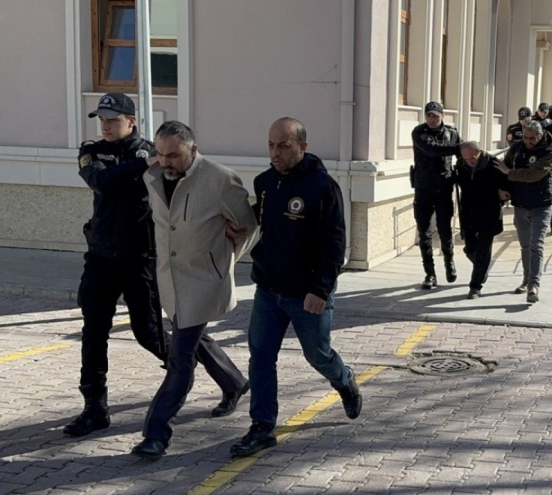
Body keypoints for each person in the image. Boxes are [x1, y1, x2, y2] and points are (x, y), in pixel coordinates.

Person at [230, 117, 361, 458]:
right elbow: (257, 227)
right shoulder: (263, 183)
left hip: (307, 294)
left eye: (283, 145)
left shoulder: (322, 187)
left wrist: (321, 289)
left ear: (303, 146)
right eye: (271, 145)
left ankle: (344, 380)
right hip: (268, 291)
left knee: (317, 356)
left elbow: (335, 244)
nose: (275, 152)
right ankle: (262, 427)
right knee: (260, 356)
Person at [131, 121, 255, 459]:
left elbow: (248, 225)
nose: (166, 161)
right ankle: (234, 383)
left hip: (203, 283)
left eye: (174, 154)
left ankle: (156, 433)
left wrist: (226, 259)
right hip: (170, 282)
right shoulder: (154, 176)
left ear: (193, 151)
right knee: (194, 336)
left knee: (180, 356)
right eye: (160, 153)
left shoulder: (220, 179)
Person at [65, 92, 171, 437]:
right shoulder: (92, 153)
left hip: (138, 258)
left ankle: (212, 372)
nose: (107, 125)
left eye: (114, 119)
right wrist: (144, 165)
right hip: (100, 258)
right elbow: (102, 181)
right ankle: (94, 407)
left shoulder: (152, 153)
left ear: (132, 121)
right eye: (103, 120)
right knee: (93, 333)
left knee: (149, 334)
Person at [494, 120, 552, 304]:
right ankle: (526, 279)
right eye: (526, 137)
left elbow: (533, 174)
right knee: (525, 246)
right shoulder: (517, 147)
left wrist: (510, 172)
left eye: (532, 138)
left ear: (540, 135)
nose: (529, 141)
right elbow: (503, 168)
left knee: (536, 244)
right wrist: (502, 189)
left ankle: (533, 286)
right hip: (521, 204)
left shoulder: (550, 151)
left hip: (542, 204)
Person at [410, 101, 462, 289]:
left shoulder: (452, 133)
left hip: (443, 189)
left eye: (435, 116)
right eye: (429, 116)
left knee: (445, 229)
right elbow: (432, 150)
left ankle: (449, 263)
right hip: (423, 189)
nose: (432, 119)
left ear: (442, 116)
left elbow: (463, 159)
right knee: (424, 232)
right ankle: (429, 274)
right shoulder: (419, 132)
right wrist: (459, 147)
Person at [454, 141, 510, 299]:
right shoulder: (460, 165)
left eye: (473, 158)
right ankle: (482, 268)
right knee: (470, 249)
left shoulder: (494, 164)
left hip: (489, 213)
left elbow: (507, 185)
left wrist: (501, 193)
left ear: (480, 152)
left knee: (483, 250)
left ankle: (475, 286)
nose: (470, 162)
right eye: (466, 159)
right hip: (469, 214)